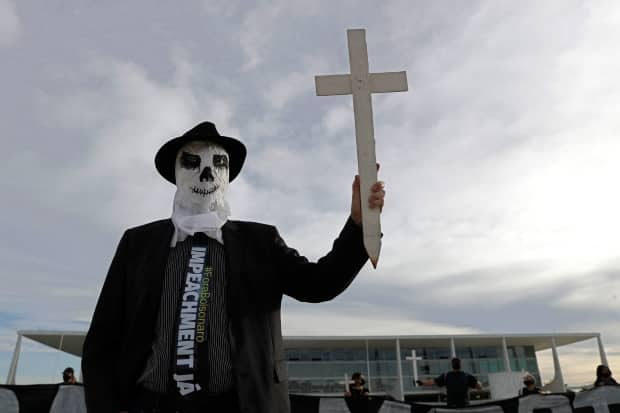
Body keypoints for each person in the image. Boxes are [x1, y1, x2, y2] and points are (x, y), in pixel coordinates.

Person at [81, 121, 386, 413]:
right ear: (176, 173)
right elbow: (103, 338)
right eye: (192, 162)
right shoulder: (138, 243)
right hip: (153, 404)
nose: (207, 174)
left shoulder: (260, 241)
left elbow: (320, 284)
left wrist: (359, 224)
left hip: (241, 405)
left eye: (219, 164)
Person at [417, 357, 481, 408]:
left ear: (452, 365)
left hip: (457, 406)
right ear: (460, 364)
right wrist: (422, 383)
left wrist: (422, 383)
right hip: (459, 406)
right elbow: (478, 387)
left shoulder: (449, 375)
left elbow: (434, 382)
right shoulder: (465, 376)